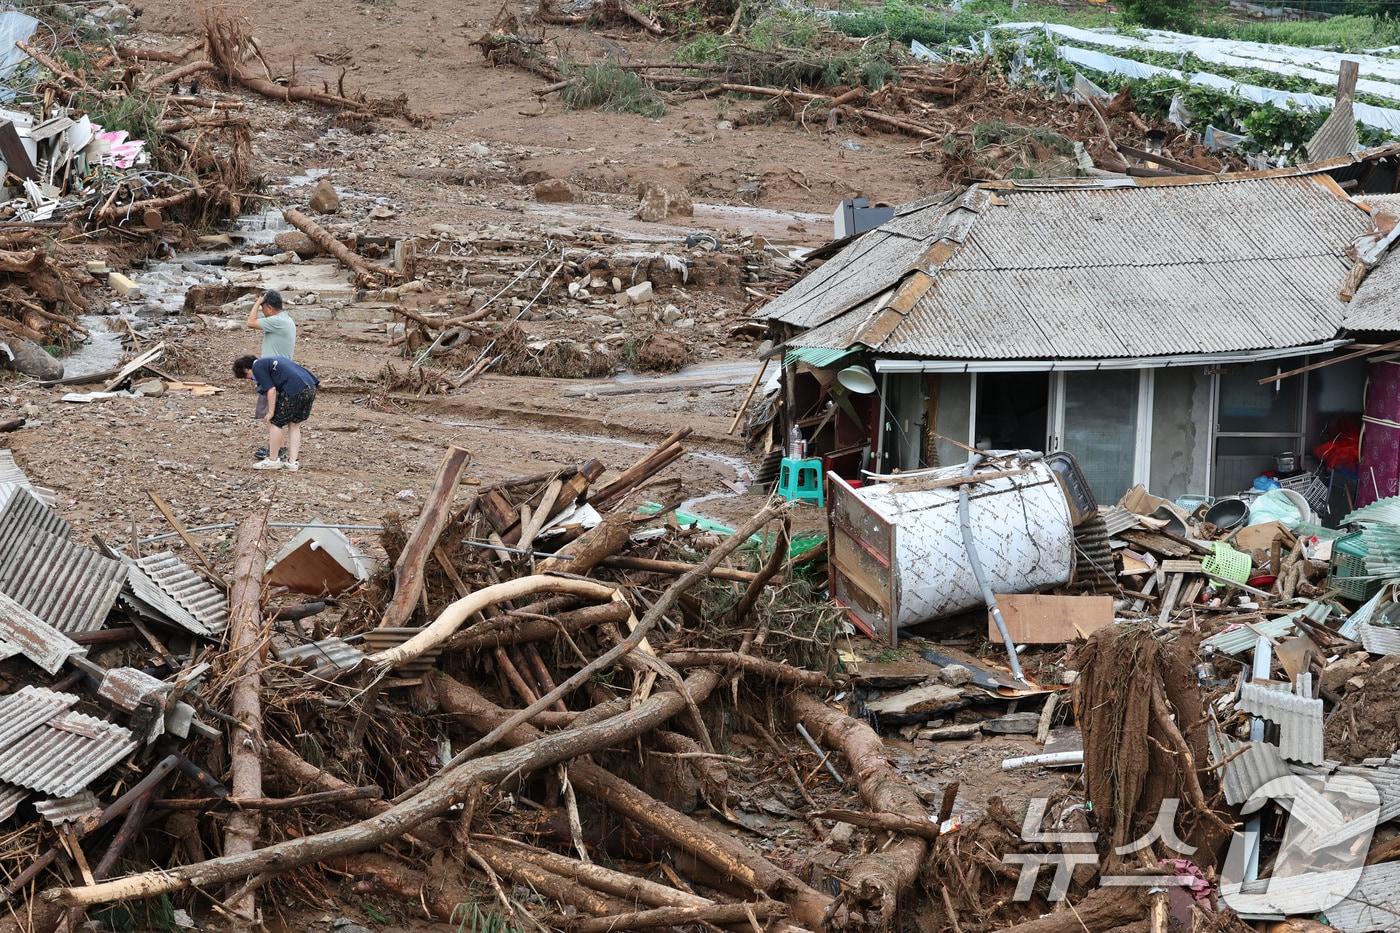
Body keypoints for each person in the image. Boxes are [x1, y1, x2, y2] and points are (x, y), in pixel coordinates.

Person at [233, 354, 319, 472]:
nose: (252, 379)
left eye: (248, 377)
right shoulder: (274, 359)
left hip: (295, 389)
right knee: (294, 424)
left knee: (275, 424)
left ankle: (273, 460)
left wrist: (271, 412)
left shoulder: (257, 366)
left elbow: (271, 390)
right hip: (310, 387)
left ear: (246, 369)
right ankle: (292, 463)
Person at [245, 291, 296, 459]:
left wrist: (256, 303)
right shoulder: (286, 320)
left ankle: (277, 451)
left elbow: (250, 322)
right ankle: (278, 448)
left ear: (269, 307)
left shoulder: (277, 321)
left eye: (263, 308)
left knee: (270, 415)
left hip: (273, 373)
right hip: (281, 372)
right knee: (275, 416)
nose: (262, 311)